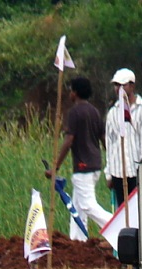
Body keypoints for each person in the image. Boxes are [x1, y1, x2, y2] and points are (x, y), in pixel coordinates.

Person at [45, 76, 112, 242]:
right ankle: (78, 240)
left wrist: (55, 167)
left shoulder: (75, 112)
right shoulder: (94, 111)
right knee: (77, 205)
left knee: (88, 205)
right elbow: (103, 139)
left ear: (75, 93)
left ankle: (116, 226)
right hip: (95, 165)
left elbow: (69, 141)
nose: (69, 93)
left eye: (71, 90)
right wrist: (110, 160)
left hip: (83, 166)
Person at [104, 68, 142, 210]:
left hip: (136, 173)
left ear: (131, 86)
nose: (118, 89)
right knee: (121, 214)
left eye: (123, 85)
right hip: (118, 173)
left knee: (139, 212)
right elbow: (110, 144)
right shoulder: (113, 113)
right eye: (116, 85)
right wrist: (109, 174)